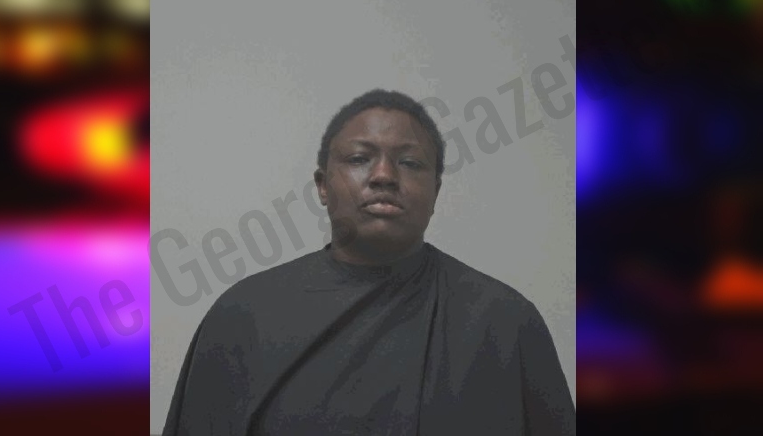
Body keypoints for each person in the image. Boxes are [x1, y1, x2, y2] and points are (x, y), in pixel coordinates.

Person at [162, 89, 575, 435]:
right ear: (323, 186)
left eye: (409, 162)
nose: (383, 175)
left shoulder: (504, 324)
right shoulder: (243, 317)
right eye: (360, 158)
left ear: (435, 191)